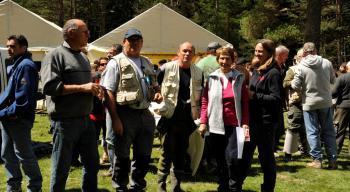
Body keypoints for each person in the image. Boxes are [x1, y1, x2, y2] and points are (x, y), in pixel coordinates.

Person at [41, 19, 103, 191]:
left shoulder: (83, 57)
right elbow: (49, 87)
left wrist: (95, 90)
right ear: (71, 33)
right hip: (64, 122)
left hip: (86, 120)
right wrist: (83, 88)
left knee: (92, 165)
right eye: (85, 31)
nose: (88, 34)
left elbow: (85, 87)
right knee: (61, 168)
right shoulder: (54, 55)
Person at [102, 28, 159, 191]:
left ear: (141, 42)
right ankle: (121, 187)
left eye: (137, 40)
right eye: (130, 40)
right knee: (122, 157)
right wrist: (115, 119)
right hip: (124, 113)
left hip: (145, 114)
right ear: (124, 42)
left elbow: (153, 85)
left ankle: (138, 186)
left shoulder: (146, 62)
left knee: (144, 155)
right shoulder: (116, 63)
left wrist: (157, 93)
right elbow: (108, 92)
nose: (134, 43)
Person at [198, 47, 249, 192]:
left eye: (227, 58)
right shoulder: (211, 78)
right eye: (221, 58)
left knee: (233, 159)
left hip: (235, 125)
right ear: (217, 60)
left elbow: (245, 103)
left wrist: (245, 123)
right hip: (216, 125)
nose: (224, 61)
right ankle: (223, 185)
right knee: (220, 159)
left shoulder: (239, 78)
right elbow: (204, 101)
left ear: (233, 61)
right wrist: (203, 122)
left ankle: (234, 186)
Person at [155, 42, 203, 192]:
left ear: (194, 54)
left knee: (181, 154)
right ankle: (161, 187)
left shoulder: (198, 72)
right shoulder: (165, 68)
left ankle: (176, 187)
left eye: (190, 51)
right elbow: (155, 86)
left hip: (187, 121)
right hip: (169, 119)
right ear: (178, 52)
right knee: (166, 153)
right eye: (184, 51)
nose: (187, 54)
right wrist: (157, 96)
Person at [0, 35, 42, 192]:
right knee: (7, 154)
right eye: (8, 46)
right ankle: (14, 186)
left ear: (23, 48)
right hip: (8, 118)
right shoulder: (17, 65)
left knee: (24, 155)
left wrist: (3, 112)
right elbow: (8, 94)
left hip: (18, 119)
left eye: (13, 46)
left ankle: (35, 187)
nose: (9, 50)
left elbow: (22, 102)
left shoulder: (25, 66)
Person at [241, 39, 282, 192]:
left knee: (266, 159)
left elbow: (276, 99)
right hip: (252, 121)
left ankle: (268, 188)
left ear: (269, 53)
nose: (257, 53)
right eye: (256, 50)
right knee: (245, 156)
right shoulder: (258, 70)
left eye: (260, 51)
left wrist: (255, 95)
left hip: (265, 124)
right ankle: (237, 185)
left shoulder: (273, 73)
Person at [291, 42, 337, 169]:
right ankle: (333, 160)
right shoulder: (327, 63)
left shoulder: (301, 65)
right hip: (325, 101)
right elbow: (333, 80)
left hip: (309, 103)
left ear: (305, 52)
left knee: (312, 131)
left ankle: (317, 160)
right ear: (316, 50)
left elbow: (295, 85)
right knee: (329, 131)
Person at [282, 49, 309, 161]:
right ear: (297, 57)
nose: (304, 58)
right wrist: (295, 83)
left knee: (307, 128)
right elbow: (285, 83)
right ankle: (288, 153)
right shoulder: (292, 70)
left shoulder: (311, 69)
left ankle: (305, 150)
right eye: (302, 56)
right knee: (293, 126)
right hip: (296, 103)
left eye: (306, 56)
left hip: (309, 102)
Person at [332, 61, 350, 154]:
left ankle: (335, 152)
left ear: (347, 68)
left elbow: (333, 93)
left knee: (339, 130)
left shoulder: (342, 78)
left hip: (343, 106)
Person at [274, 45, 289, 155]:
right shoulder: (272, 66)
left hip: (280, 100)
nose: (287, 57)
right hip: (273, 100)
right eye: (286, 55)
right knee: (274, 125)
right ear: (279, 55)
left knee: (279, 126)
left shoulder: (282, 66)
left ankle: (275, 146)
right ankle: (272, 148)